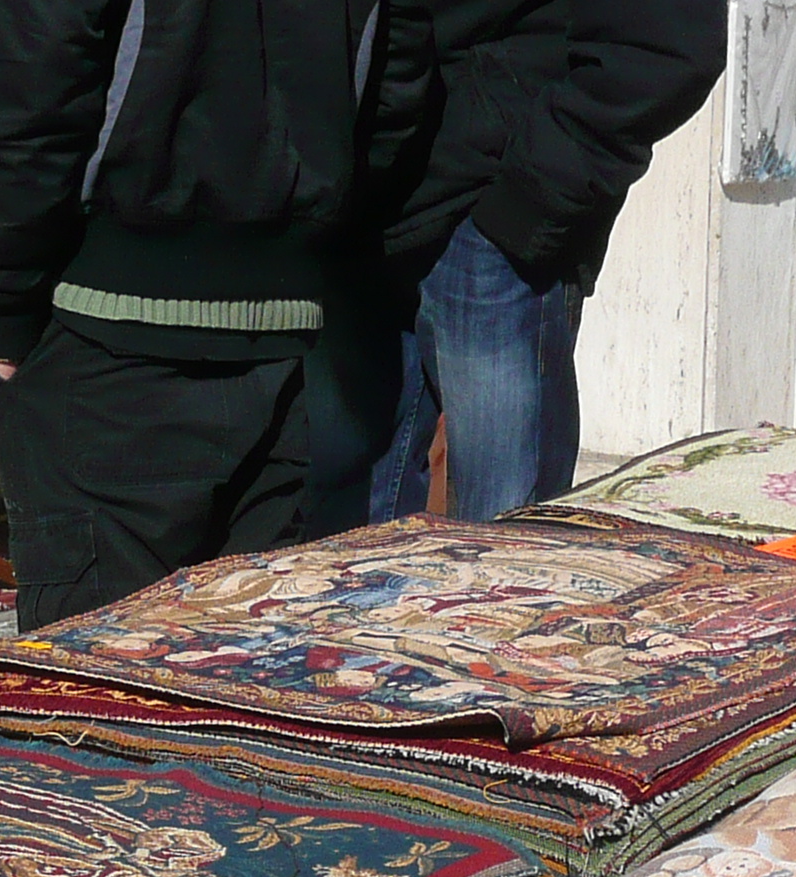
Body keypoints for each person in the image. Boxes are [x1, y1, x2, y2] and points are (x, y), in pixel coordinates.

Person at [0, 0, 427, 629]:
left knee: (100, 698)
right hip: (268, 324)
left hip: (109, 341)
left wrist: (7, 305)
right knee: (238, 685)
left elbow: (26, 66)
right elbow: (400, 69)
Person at [305, 2, 725, 533]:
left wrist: (530, 201)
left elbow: (670, 47)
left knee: (509, 546)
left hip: (488, 225)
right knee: (342, 551)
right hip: (353, 207)